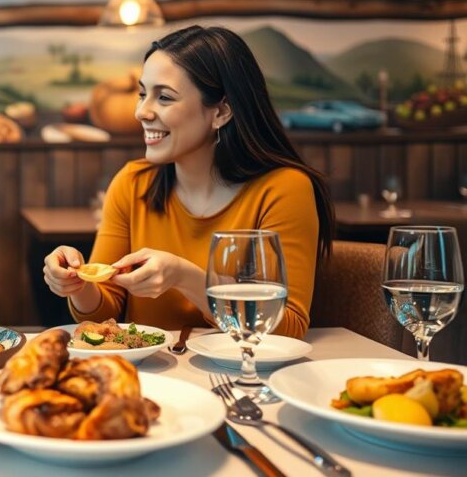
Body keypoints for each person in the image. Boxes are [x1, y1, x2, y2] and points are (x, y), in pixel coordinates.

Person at [42, 25, 334, 338]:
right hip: (151, 378)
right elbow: (106, 312)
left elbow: (287, 328)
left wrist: (185, 277)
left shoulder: (284, 189)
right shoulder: (131, 183)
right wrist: (77, 285)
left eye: (164, 97)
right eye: (143, 94)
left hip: (241, 380)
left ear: (221, 111)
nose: (141, 111)